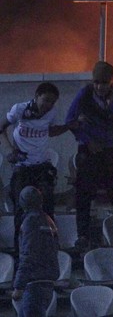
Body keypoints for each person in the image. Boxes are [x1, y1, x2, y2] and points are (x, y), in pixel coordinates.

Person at [65, 60, 113, 250]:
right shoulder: (85, 94)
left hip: (112, 149)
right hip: (89, 150)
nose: (99, 87)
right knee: (83, 193)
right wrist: (87, 140)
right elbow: (69, 121)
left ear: (112, 81)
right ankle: (83, 236)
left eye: (104, 83)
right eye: (96, 82)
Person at [0, 82, 75, 243]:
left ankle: (51, 246)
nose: (48, 105)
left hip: (41, 165)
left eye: (52, 102)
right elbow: (1, 127)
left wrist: (69, 126)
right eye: (46, 100)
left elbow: (51, 131)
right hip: (22, 166)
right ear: (36, 96)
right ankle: (20, 250)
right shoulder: (19, 109)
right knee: (21, 209)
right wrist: (9, 151)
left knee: (47, 207)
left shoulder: (52, 113)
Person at [12, 186, 60, 317]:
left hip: (33, 283)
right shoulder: (48, 220)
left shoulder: (30, 222)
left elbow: (28, 254)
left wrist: (18, 286)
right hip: (47, 280)